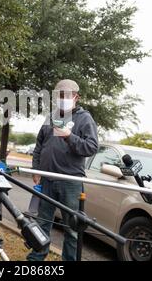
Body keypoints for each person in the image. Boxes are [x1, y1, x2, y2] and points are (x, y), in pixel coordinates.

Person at [27, 79, 98, 261]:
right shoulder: (51, 117)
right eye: (59, 95)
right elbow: (39, 145)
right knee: (42, 223)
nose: (61, 98)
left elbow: (91, 147)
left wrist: (69, 136)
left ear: (76, 97)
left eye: (66, 95)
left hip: (71, 182)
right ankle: (36, 258)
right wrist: (37, 170)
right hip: (47, 180)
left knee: (71, 229)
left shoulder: (84, 118)